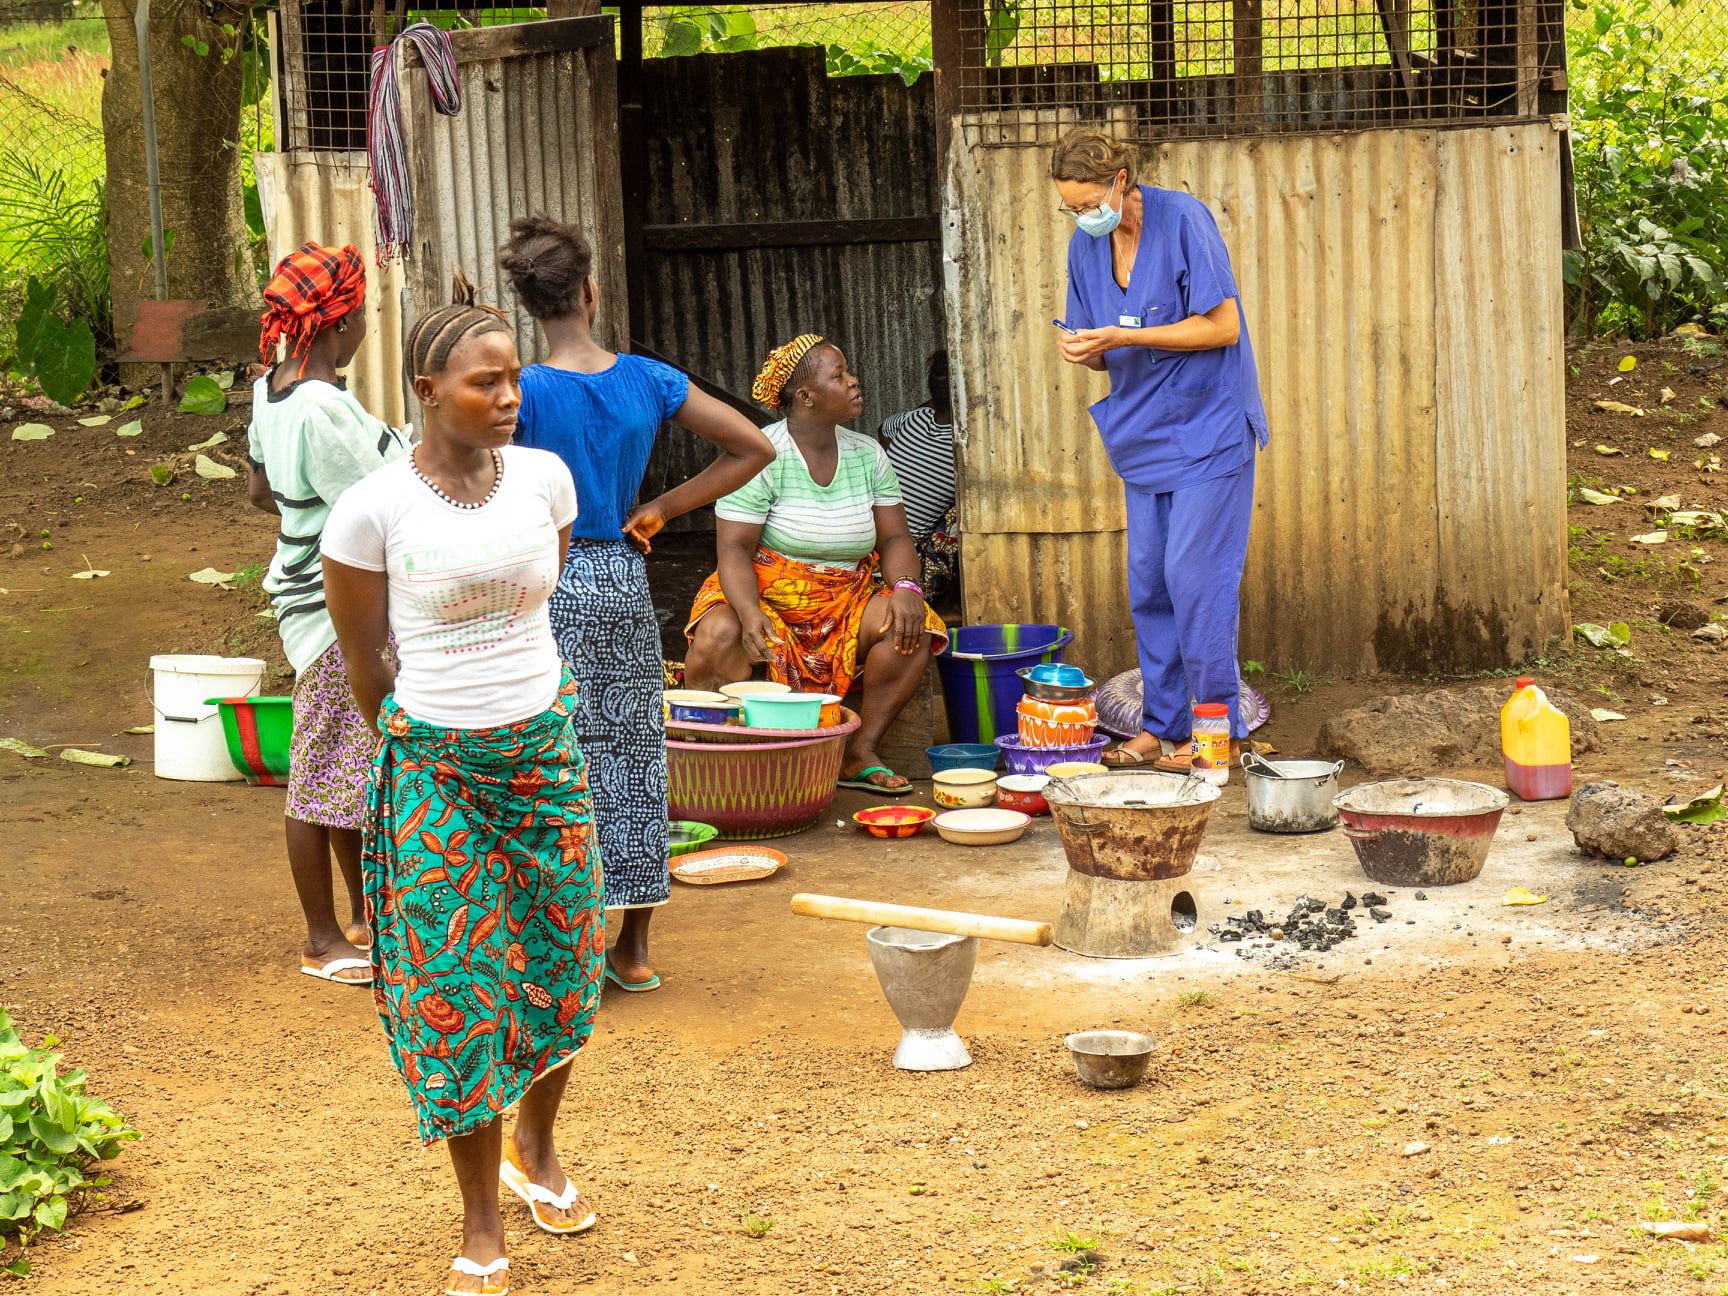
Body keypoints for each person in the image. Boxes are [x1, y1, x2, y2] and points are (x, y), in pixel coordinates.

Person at [322, 277, 603, 1296]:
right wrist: (423, 748)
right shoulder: (371, 512)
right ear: (428, 388)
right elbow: (364, 666)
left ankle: (539, 1144)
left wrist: (522, 711)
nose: (509, 396)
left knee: (565, 954)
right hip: (434, 765)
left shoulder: (542, 481)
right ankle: (481, 1217)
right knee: (455, 988)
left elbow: (541, 595)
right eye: (487, 382)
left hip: (543, 754)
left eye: (514, 378)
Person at [499, 215, 774, 995]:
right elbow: (755, 445)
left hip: (545, 580)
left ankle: (554, 947)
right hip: (618, 578)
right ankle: (635, 949)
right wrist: (660, 506)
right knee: (630, 755)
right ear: (590, 291)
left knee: (549, 756)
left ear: (529, 307)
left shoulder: (520, 388)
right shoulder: (648, 380)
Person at [1050, 129, 1269, 773]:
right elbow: (1099, 342)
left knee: (1196, 580)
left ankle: (1214, 732)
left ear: (1121, 183)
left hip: (1210, 428)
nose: (1083, 217)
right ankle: (1162, 723)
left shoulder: (1184, 221)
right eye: (1071, 208)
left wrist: (1122, 334)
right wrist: (1090, 349)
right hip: (1144, 435)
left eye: (1089, 203)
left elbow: (1223, 324)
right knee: (1149, 584)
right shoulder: (1084, 249)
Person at [243, 242, 408, 987]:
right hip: (336, 607)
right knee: (320, 775)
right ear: (339, 323)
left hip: (297, 590)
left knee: (346, 763)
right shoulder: (323, 410)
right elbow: (387, 501)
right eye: (364, 311)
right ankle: (320, 938)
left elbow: (256, 490)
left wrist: (299, 505)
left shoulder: (270, 391)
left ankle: (362, 916)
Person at [683, 335, 949, 796]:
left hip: (846, 594)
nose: (853, 381)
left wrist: (907, 586)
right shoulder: (760, 454)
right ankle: (706, 758)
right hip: (765, 593)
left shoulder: (868, 454)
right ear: (805, 396)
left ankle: (859, 751)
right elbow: (733, 550)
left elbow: (894, 537)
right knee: (718, 633)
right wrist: (749, 613)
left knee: (914, 627)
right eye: (839, 375)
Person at [877, 349, 959, 606]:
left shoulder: (966, 439)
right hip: (868, 543)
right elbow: (883, 431)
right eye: (938, 373)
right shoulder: (913, 419)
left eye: (950, 372)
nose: (943, 378)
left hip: (912, 554)